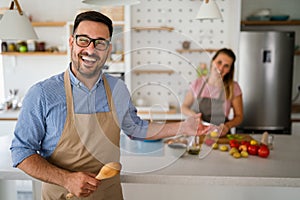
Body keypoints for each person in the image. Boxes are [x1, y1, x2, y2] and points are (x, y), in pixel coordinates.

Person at [10, 11, 204, 200]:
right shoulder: (43, 93)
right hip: (62, 194)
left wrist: (184, 127)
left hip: (108, 195)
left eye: (100, 43)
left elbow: (135, 128)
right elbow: (21, 151)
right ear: (71, 42)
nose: (91, 50)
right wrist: (67, 179)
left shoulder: (118, 89)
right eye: (83, 40)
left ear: (109, 49)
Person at [181, 48, 243, 136]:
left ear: (230, 70)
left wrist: (227, 126)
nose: (221, 68)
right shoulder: (198, 83)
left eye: (226, 66)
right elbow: (184, 107)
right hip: (197, 134)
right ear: (212, 62)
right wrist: (194, 115)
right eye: (219, 62)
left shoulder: (234, 87)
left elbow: (239, 116)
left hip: (220, 135)